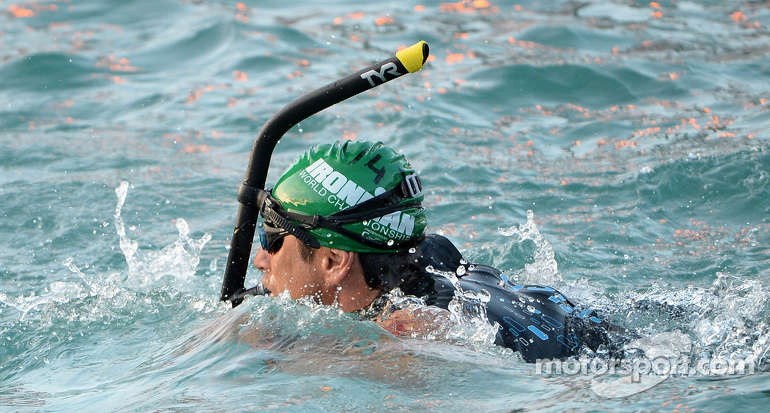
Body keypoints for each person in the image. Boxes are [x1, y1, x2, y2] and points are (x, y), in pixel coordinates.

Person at [252, 139, 628, 362]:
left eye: (272, 238)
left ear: (334, 261)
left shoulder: (410, 331)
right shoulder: (430, 256)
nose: (260, 258)